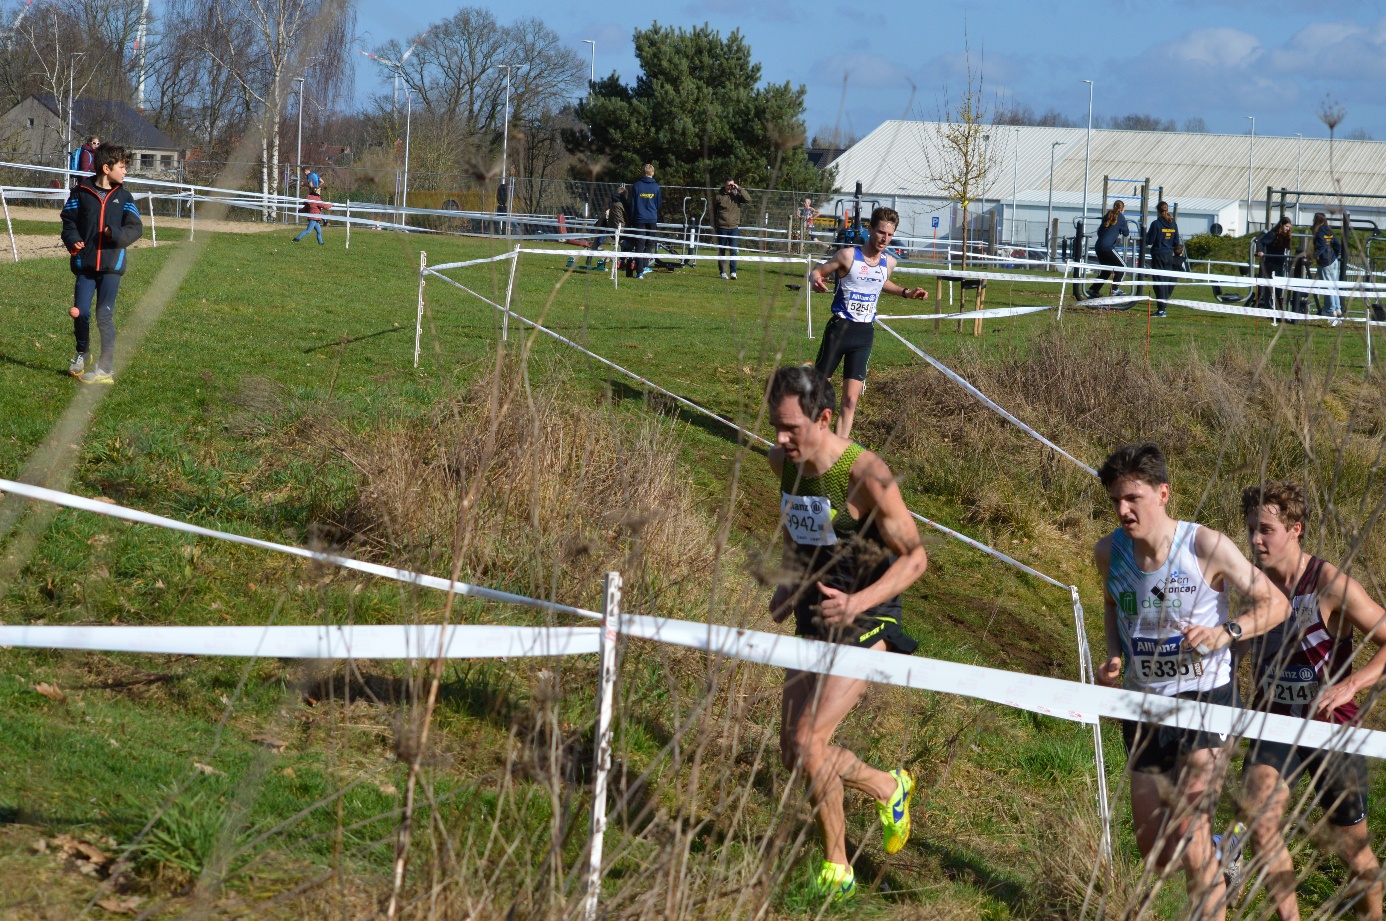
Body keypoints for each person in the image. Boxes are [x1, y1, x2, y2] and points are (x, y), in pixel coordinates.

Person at [1094, 443, 1290, 921]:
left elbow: (1276, 604)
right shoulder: (1108, 551)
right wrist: (1115, 656)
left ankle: (1210, 878)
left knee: (1192, 828)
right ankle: (1223, 861)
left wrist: (1226, 632)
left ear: (1164, 494)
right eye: (1116, 499)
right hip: (1145, 707)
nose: (1123, 509)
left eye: (1133, 498)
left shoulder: (1205, 546)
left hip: (1206, 701)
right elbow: (1114, 605)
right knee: (1153, 849)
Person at [766, 365, 928, 903]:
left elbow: (916, 558)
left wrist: (858, 600)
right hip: (814, 612)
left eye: (792, 427)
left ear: (826, 417)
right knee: (795, 752)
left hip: (868, 614)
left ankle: (837, 866)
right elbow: (798, 532)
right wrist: (790, 585)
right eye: (775, 426)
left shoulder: (866, 474)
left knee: (811, 742)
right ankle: (887, 785)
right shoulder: (781, 463)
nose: (782, 438)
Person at [1238, 481, 1385, 921]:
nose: (1255, 540)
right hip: (1275, 725)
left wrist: (1353, 685)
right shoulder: (1254, 586)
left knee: (1353, 853)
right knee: (1260, 822)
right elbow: (1238, 649)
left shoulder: (1329, 583)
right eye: (1250, 529)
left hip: (1331, 729)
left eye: (1266, 529)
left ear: (1295, 528)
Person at [808, 207, 928, 438]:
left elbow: (880, 282)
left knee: (850, 400)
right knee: (819, 393)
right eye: (881, 232)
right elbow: (818, 271)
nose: (885, 239)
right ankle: (808, 440)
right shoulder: (848, 256)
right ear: (870, 229)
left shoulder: (889, 262)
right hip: (839, 330)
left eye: (890, 235)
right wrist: (816, 279)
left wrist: (906, 292)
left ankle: (836, 452)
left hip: (863, 335)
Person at [60, 144, 142, 385]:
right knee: (81, 312)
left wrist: (114, 234)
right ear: (106, 168)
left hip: (111, 268)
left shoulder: (125, 198)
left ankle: (105, 370)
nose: (125, 172)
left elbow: (135, 228)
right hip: (85, 266)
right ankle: (82, 352)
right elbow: (68, 221)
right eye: (122, 167)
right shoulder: (81, 192)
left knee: (104, 316)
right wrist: (73, 240)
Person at [1144, 201, 1182, 318]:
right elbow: (1176, 242)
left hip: (1158, 256)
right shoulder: (1173, 224)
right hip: (1168, 256)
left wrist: (1144, 234)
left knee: (1159, 282)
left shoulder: (1156, 224)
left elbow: (1149, 241)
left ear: (1158, 211)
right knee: (1165, 281)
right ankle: (1163, 306)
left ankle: (1161, 310)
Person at [1087, 199, 1129, 298]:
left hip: (1099, 246)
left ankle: (1093, 289)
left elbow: (1099, 232)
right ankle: (1115, 289)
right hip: (1107, 247)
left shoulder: (1107, 216)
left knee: (1106, 270)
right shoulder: (1121, 217)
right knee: (1123, 266)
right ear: (1122, 208)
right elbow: (1126, 233)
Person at [711, 178, 751, 279]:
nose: (730, 187)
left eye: (732, 185)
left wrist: (739, 188)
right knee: (722, 251)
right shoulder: (718, 196)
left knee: (733, 251)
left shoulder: (737, 196)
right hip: (722, 227)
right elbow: (713, 212)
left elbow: (748, 199)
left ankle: (733, 272)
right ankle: (723, 272)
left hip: (734, 228)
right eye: (729, 185)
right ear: (724, 185)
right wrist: (714, 226)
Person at [1256, 217, 1295, 312]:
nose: (1288, 229)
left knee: (1278, 287)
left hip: (1279, 263)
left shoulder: (1285, 236)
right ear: (1281, 225)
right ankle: (1269, 308)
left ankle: (1278, 308)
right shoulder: (1272, 234)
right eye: (1286, 226)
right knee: (1270, 288)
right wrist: (1260, 251)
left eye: (1289, 227)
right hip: (1271, 263)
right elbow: (1260, 242)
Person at [631, 163, 662, 278]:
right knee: (650, 242)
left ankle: (640, 271)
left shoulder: (636, 186)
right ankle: (644, 265)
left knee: (640, 244)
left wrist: (632, 218)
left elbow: (633, 204)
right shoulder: (656, 187)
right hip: (652, 218)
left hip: (639, 218)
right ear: (652, 173)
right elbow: (658, 204)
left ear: (642, 173)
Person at [1312, 212, 1344, 319]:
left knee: (1327, 286)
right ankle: (1337, 308)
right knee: (1334, 285)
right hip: (1333, 260)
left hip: (1325, 261)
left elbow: (1321, 247)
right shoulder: (1329, 230)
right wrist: (1335, 254)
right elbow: (1337, 244)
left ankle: (1330, 309)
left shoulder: (1319, 232)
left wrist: (1314, 256)